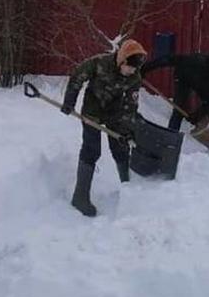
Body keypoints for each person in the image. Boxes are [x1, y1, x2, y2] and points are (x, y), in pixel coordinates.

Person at [60, 39, 147, 217]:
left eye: (134, 69)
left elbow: (131, 105)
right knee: (92, 150)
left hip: (115, 112)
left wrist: (127, 130)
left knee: (120, 148)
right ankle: (80, 197)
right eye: (129, 67)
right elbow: (78, 76)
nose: (131, 71)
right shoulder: (99, 63)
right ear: (122, 61)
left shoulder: (134, 77)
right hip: (92, 109)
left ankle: (128, 193)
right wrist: (69, 101)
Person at [141, 51, 209, 134]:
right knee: (179, 109)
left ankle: (193, 120)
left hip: (203, 86)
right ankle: (171, 136)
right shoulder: (196, 62)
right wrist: (145, 68)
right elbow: (169, 59)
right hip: (183, 78)